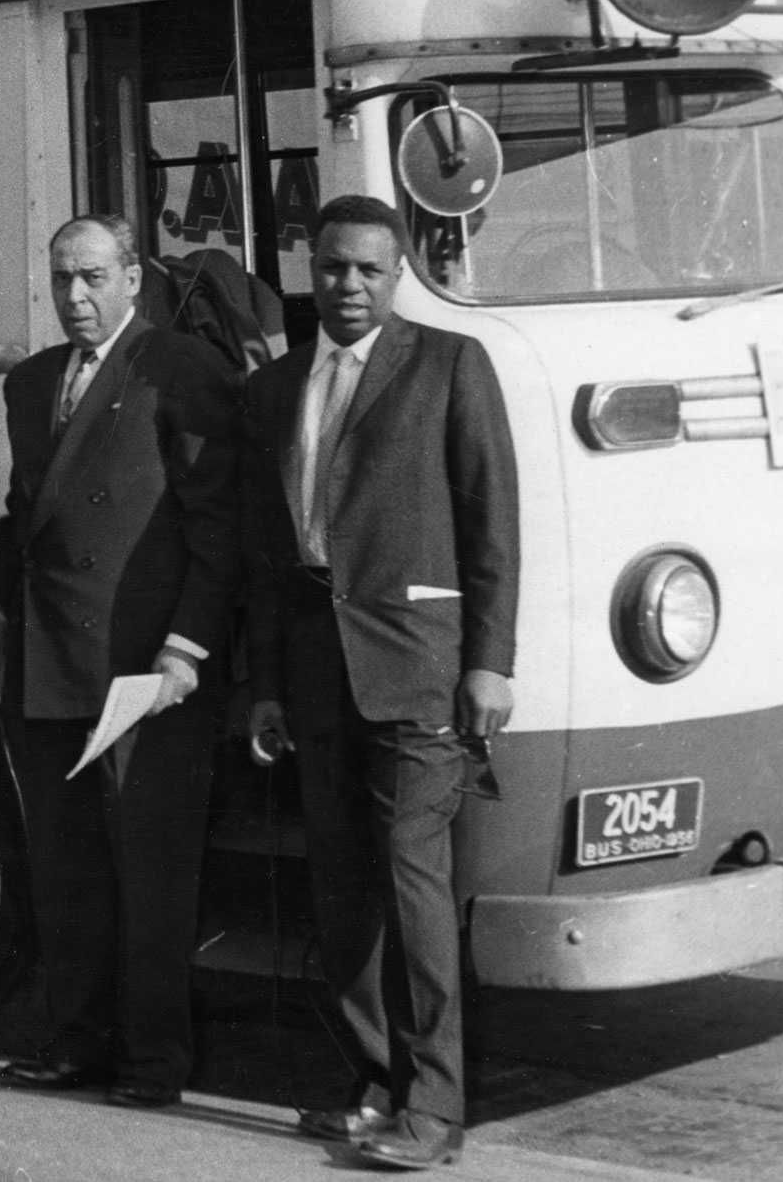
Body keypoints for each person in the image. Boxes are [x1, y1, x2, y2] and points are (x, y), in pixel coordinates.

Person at [244, 195, 520, 1173]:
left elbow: (492, 522)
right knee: (342, 893)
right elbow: (271, 556)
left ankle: (434, 1108)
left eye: (367, 268)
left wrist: (491, 658)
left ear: (397, 272)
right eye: (330, 268)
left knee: (413, 889)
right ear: (308, 271)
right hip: (318, 672)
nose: (348, 285)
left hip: (420, 666)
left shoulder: (450, 364)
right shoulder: (277, 387)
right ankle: (373, 1081)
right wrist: (270, 684)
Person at [0, 216, 243, 1108]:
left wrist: (183, 651)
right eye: (60, 280)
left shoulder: (182, 368)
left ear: (132, 278)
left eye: (92, 277)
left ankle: (156, 1060)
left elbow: (216, 526)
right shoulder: (36, 381)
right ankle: (77, 1040)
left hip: (143, 673)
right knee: (65, 866)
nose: (75, 298)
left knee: (151, 874)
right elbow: (22, 512)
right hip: (49, 659)